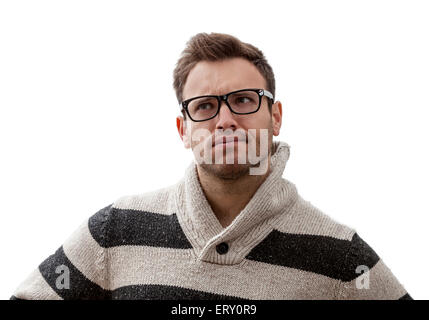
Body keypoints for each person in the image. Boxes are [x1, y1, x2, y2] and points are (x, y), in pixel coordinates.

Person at [10, 32, 411, 300]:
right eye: (205, 107)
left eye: (243, 100)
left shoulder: (340, 255)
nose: (225, 120)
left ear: (276, 117)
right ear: (184, 129)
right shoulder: (115, 231)